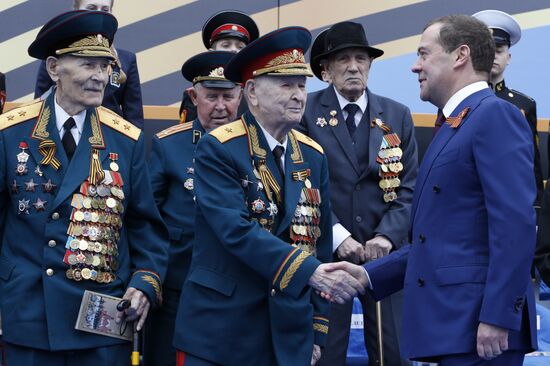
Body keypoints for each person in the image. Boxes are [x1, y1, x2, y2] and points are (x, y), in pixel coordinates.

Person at [325, 15, 537, 365]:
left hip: (482, 333)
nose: (415, 66)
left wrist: (498, 316)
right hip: (455, 329)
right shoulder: (456, 124)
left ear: (460, 56)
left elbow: (514, 226)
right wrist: (366, 274)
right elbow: (434, 238)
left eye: (424, 54)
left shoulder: (494, 116)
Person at [172, 26, 365, 366]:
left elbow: (319, 244)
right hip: (222, 331)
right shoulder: (218, 148)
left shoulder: (312, 154)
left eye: (302, 85)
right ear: (252, 93)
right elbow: (236, 230)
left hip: (288, 332)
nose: (298, 95)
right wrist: (310, 272)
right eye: (286, 85)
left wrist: (317, 330)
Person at [0, 10, 168, 365]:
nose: (100, 76)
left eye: (105, 66)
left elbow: (145, 227)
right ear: (53, 68)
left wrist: (144, 283)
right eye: (88, 64)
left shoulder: (127, 139)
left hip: (101, 322)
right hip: (30, 316)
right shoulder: (10, 133)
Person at [300, 21, 417, 366]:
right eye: (343, 60)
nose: (353, 67)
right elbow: (301, 181)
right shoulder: (306, 112)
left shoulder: (397, 114)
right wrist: (337, 236)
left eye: (361, 59)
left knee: (393, 353)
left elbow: (409, 186)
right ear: (326, 70)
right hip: (327, 254)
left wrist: (387, 236)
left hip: (383, 256)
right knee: (326, 353)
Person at [145, 51, 242, 366]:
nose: (219, 106)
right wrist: (151, 277)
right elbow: (147, 218)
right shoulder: (168, 145)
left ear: (243, 94)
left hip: (240, 290)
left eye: (228, 96)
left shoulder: (256, 146)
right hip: (178, 288)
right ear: (193, 95)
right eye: (210, 96)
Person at [473, 9, 543, 218]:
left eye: (500, 49)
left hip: (513, 203)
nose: (494, 55)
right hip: (473, 201)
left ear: (508, 57)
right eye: (488, 49)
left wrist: (536, 207)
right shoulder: (460, 100)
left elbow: (533, 163)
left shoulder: (525, 105)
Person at [34, 0, 145, 129]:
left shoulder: (127, 59)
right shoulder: (58, 57)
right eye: (91, 8)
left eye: (104, 66)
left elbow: (134, 116)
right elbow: (41, 104)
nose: (99, 77)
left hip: (110, 138)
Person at [178, 10, 259, 123]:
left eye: (240, 47)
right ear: (211, 52)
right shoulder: (197, 92)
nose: (234, 50)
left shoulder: (256, 93)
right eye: (226, 45)